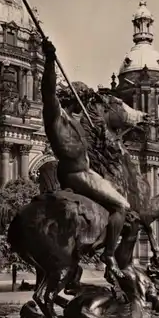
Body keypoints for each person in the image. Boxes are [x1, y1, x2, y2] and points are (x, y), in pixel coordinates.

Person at [41, 39, 133, 279]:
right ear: (74, 98)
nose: (87, 105)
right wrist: (50, 61)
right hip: (77, 173)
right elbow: (48, 91)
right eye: (84, 99)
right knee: (122, 205)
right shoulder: (55, 116)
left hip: (84, 170)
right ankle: (109, 255)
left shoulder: (76, 122)